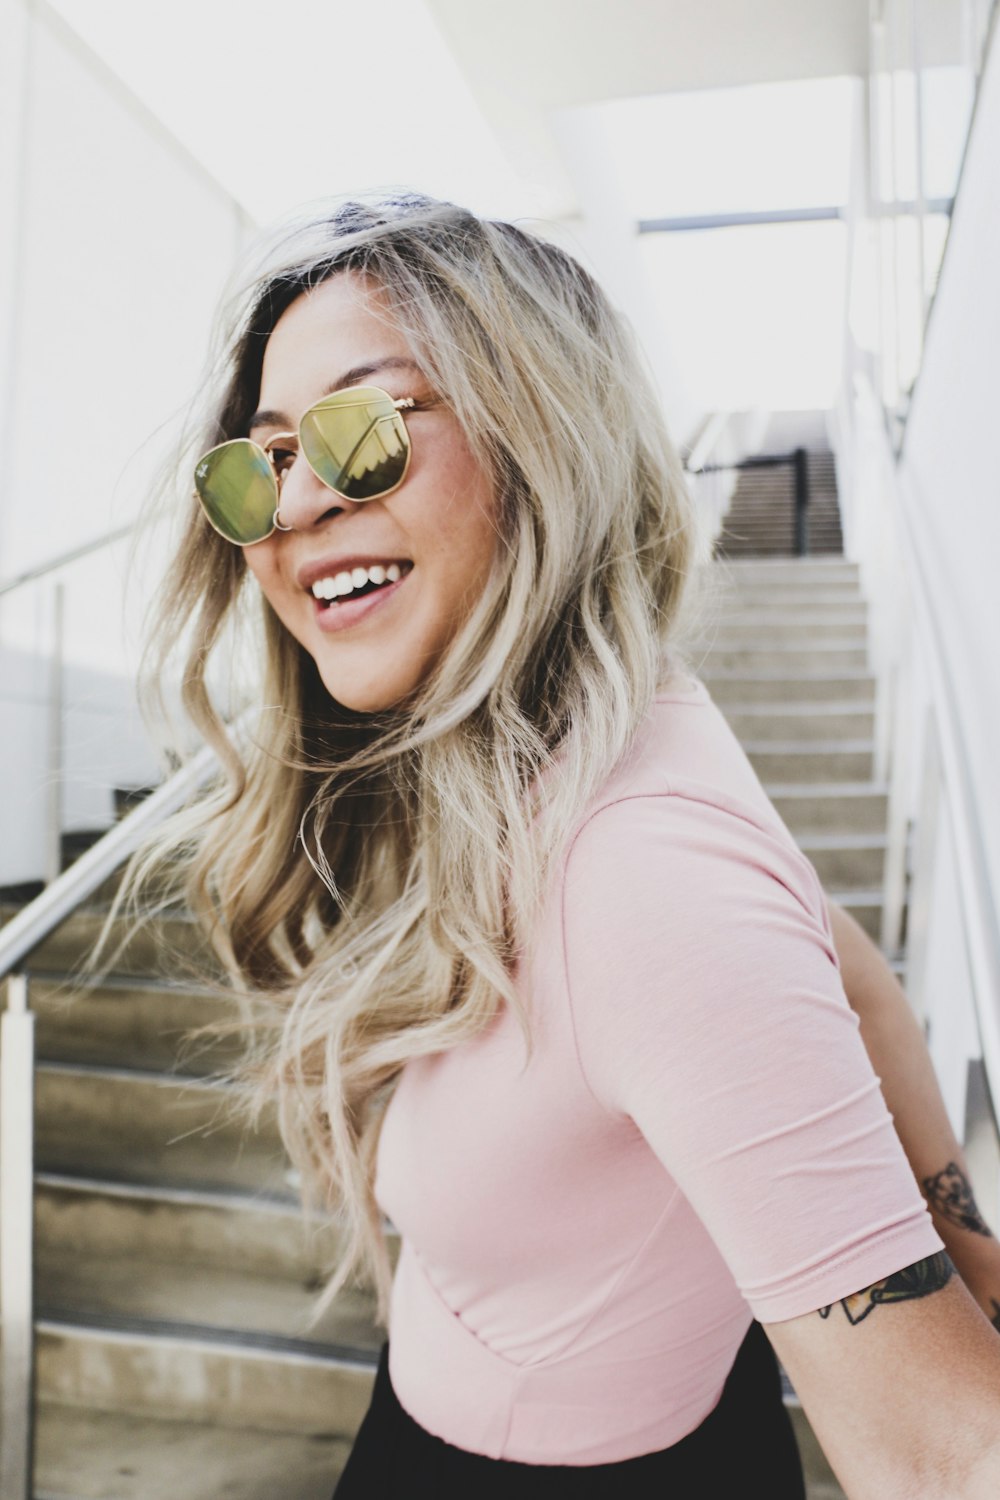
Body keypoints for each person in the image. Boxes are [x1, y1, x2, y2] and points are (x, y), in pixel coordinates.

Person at [133, 192, 1000, 1497]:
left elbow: (943, 1450)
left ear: (540, 431)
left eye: (362, 431)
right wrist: (966, 1244)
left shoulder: (643, 876)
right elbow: (851, 961)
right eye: (258, 465)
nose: (297, 504)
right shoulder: (557, 748)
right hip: (439, 1409)